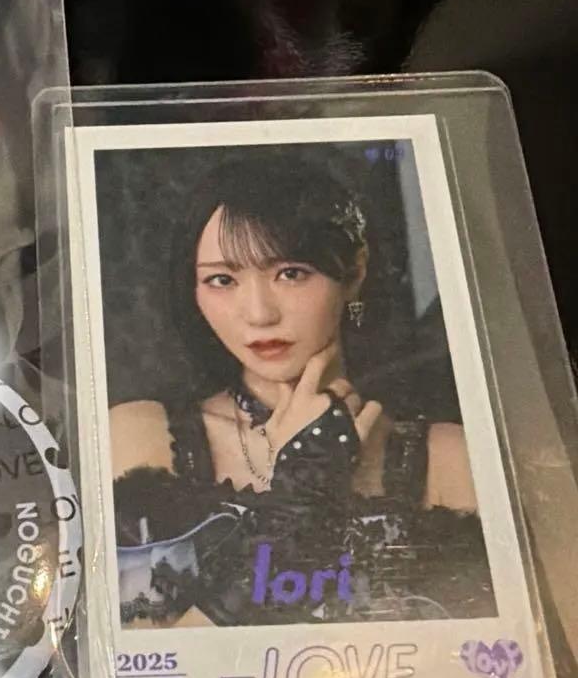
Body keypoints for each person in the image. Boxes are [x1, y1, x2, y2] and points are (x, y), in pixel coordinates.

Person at [108, 148, 490, 627]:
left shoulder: (453, 458)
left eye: (290, 273)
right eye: (222, 279)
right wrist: (297, 505)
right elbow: (139, 666)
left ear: (354, 272)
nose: (259, 313)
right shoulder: (141, 439)